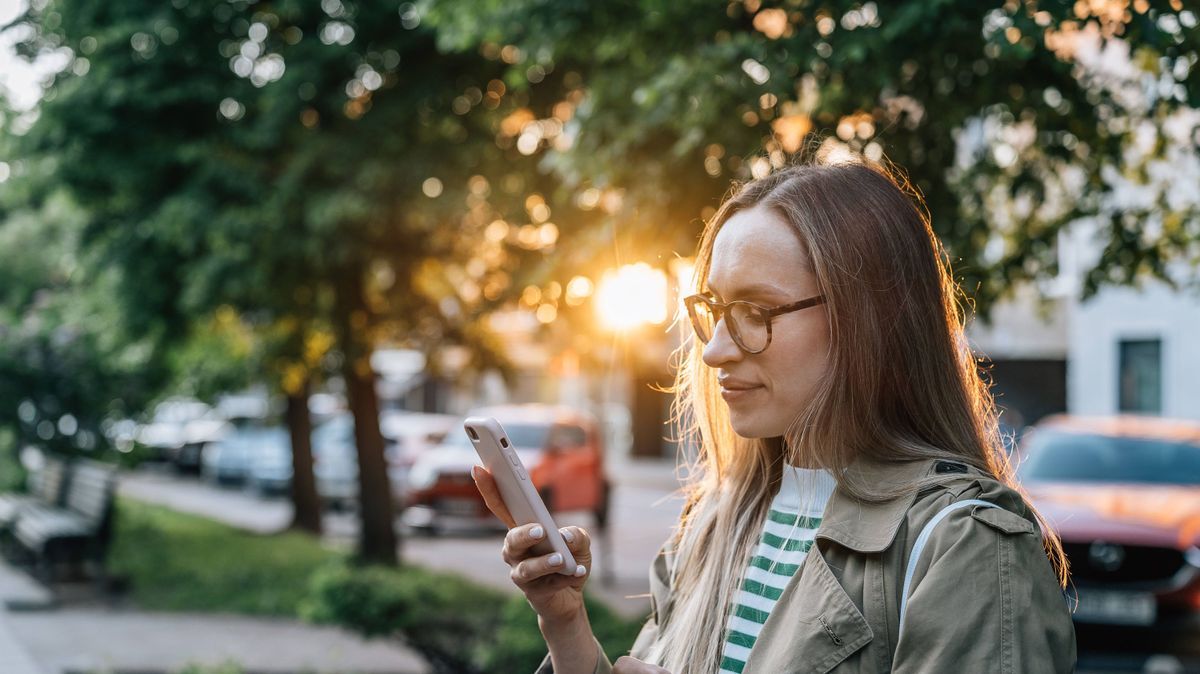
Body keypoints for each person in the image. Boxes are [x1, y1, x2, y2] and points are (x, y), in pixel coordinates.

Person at [472, 154, 1077, 673]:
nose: (712, 350)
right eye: (714, 308)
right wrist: (566, 623)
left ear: (866, 321)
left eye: (756, 311)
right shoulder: (714, 521)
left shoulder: (965, 544)